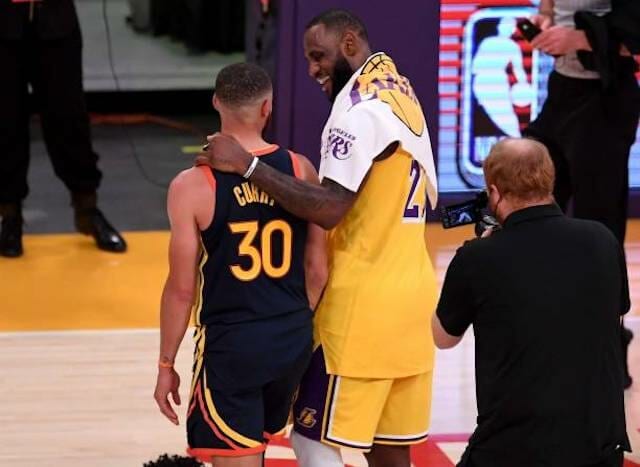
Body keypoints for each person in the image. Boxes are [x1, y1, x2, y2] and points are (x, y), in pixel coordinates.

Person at [197, 9, 439, 467]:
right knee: (391, 452)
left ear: (349, 44)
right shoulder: (400, 91)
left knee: (311, 439)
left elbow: (328, 209)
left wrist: (248, 166)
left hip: (361, 309)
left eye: (318, 56)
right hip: (413, 302)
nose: (312, 69)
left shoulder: (356, 113)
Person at [153, 63, 327, 467]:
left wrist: (166, 364)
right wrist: (291, 321)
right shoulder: (300, 169)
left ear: (216, 102)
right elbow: (317, 269)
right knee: (259, 448)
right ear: (268, 107)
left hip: (233, 345)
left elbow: (181, 290)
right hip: (291, 338)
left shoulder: (191, 185)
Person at [433, 138, 631, 467]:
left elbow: (442, 338)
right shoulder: (602, 239)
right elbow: (616, 313)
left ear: (493, 192)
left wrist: (477, 257)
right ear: (550, 180)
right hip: (601, 449)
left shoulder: (478, 258)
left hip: (513, 451)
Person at [524, 0, 640, 387]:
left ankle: (607, 347)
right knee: (528, 204)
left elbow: (633, 36)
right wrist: (544, 19)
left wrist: (577, 38)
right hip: (561, 92)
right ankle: (547, 338)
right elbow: (552, 5)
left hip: (604, 100)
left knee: (598, 231)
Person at [0, 0, 126, 257]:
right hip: (4, 24)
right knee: (5, 121)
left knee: (69, 118)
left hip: (55, 19)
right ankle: (10, 216)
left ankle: (87, 209)